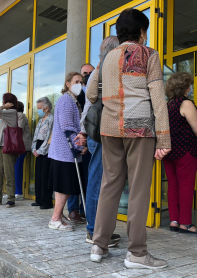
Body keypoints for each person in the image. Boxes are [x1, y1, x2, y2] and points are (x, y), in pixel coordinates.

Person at [87, 9, 171, 268]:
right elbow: (158, 97)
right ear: (142, 31)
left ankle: (99, 246)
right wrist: (164, 138)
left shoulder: (106, 58)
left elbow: (91, 94)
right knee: (138, 189)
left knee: (109, 185)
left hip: (110, 127)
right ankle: (136, 253)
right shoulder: (150, 54)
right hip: (140, 126)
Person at [78, 36, 121, 247]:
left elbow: (88, 105)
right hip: (105, 131)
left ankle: (98, 229)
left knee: (100, 180)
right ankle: (94, 231)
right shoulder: (105, 69)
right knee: (99, 181)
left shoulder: (98, 70)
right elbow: (91, 102)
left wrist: (83, 132)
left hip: (97, 131)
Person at [163, 72, 197, 234]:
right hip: (185, 150)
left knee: (173, 186)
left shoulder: (168, 105)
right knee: (186, 187)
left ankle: (174, 221)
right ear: (186, 87)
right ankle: (186, 223)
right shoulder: (186, 104)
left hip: (169, 151)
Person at [48, 72, 87, 231]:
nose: (80, 84)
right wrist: (79, 146)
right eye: (76, 81)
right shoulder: (66, 101)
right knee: (64, 187)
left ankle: (58, 215)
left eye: (82, 82)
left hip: (65, 152)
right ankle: (55, 218)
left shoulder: (72, 100)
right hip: (65, 152)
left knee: (64, 186)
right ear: (68, 84)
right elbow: (67, 127)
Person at [67, 63, 95, 224]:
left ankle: (85, 210)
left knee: (88, 178)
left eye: (90, 74)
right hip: (79, 142)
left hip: (91, 143)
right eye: (84, 73)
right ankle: (73, 209)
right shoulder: (73, 97)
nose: (87, 76)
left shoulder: (90, 93)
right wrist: (80, 143)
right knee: (75, 178)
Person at [0, 93, 20, 208]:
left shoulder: (12, 113)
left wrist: (4, 107)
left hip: (7, 148)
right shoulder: (5, 115)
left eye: (4, 101)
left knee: (9, 173)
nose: (2, 103)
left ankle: (11, 199)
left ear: (9, 102)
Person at [31, 97, 54, 209]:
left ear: (47, 108)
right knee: (38, 175)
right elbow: (36, 135)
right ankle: (39, 199)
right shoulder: (41, 120)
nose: (38, 110)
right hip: (38, 146)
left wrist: (40, 151)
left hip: (47, 149)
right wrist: (34, 149)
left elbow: (50, 136)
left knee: (45, 175)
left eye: (40, 108)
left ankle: (47, 201)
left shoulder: (51, 119)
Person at [14, 101, 32, 200]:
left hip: (21, 146)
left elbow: (18, 129)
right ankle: (14, 191)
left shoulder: (20, 116)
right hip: (16, 146)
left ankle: (18, 192)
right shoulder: (16, 116)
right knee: (14, 169)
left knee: (17, 169)